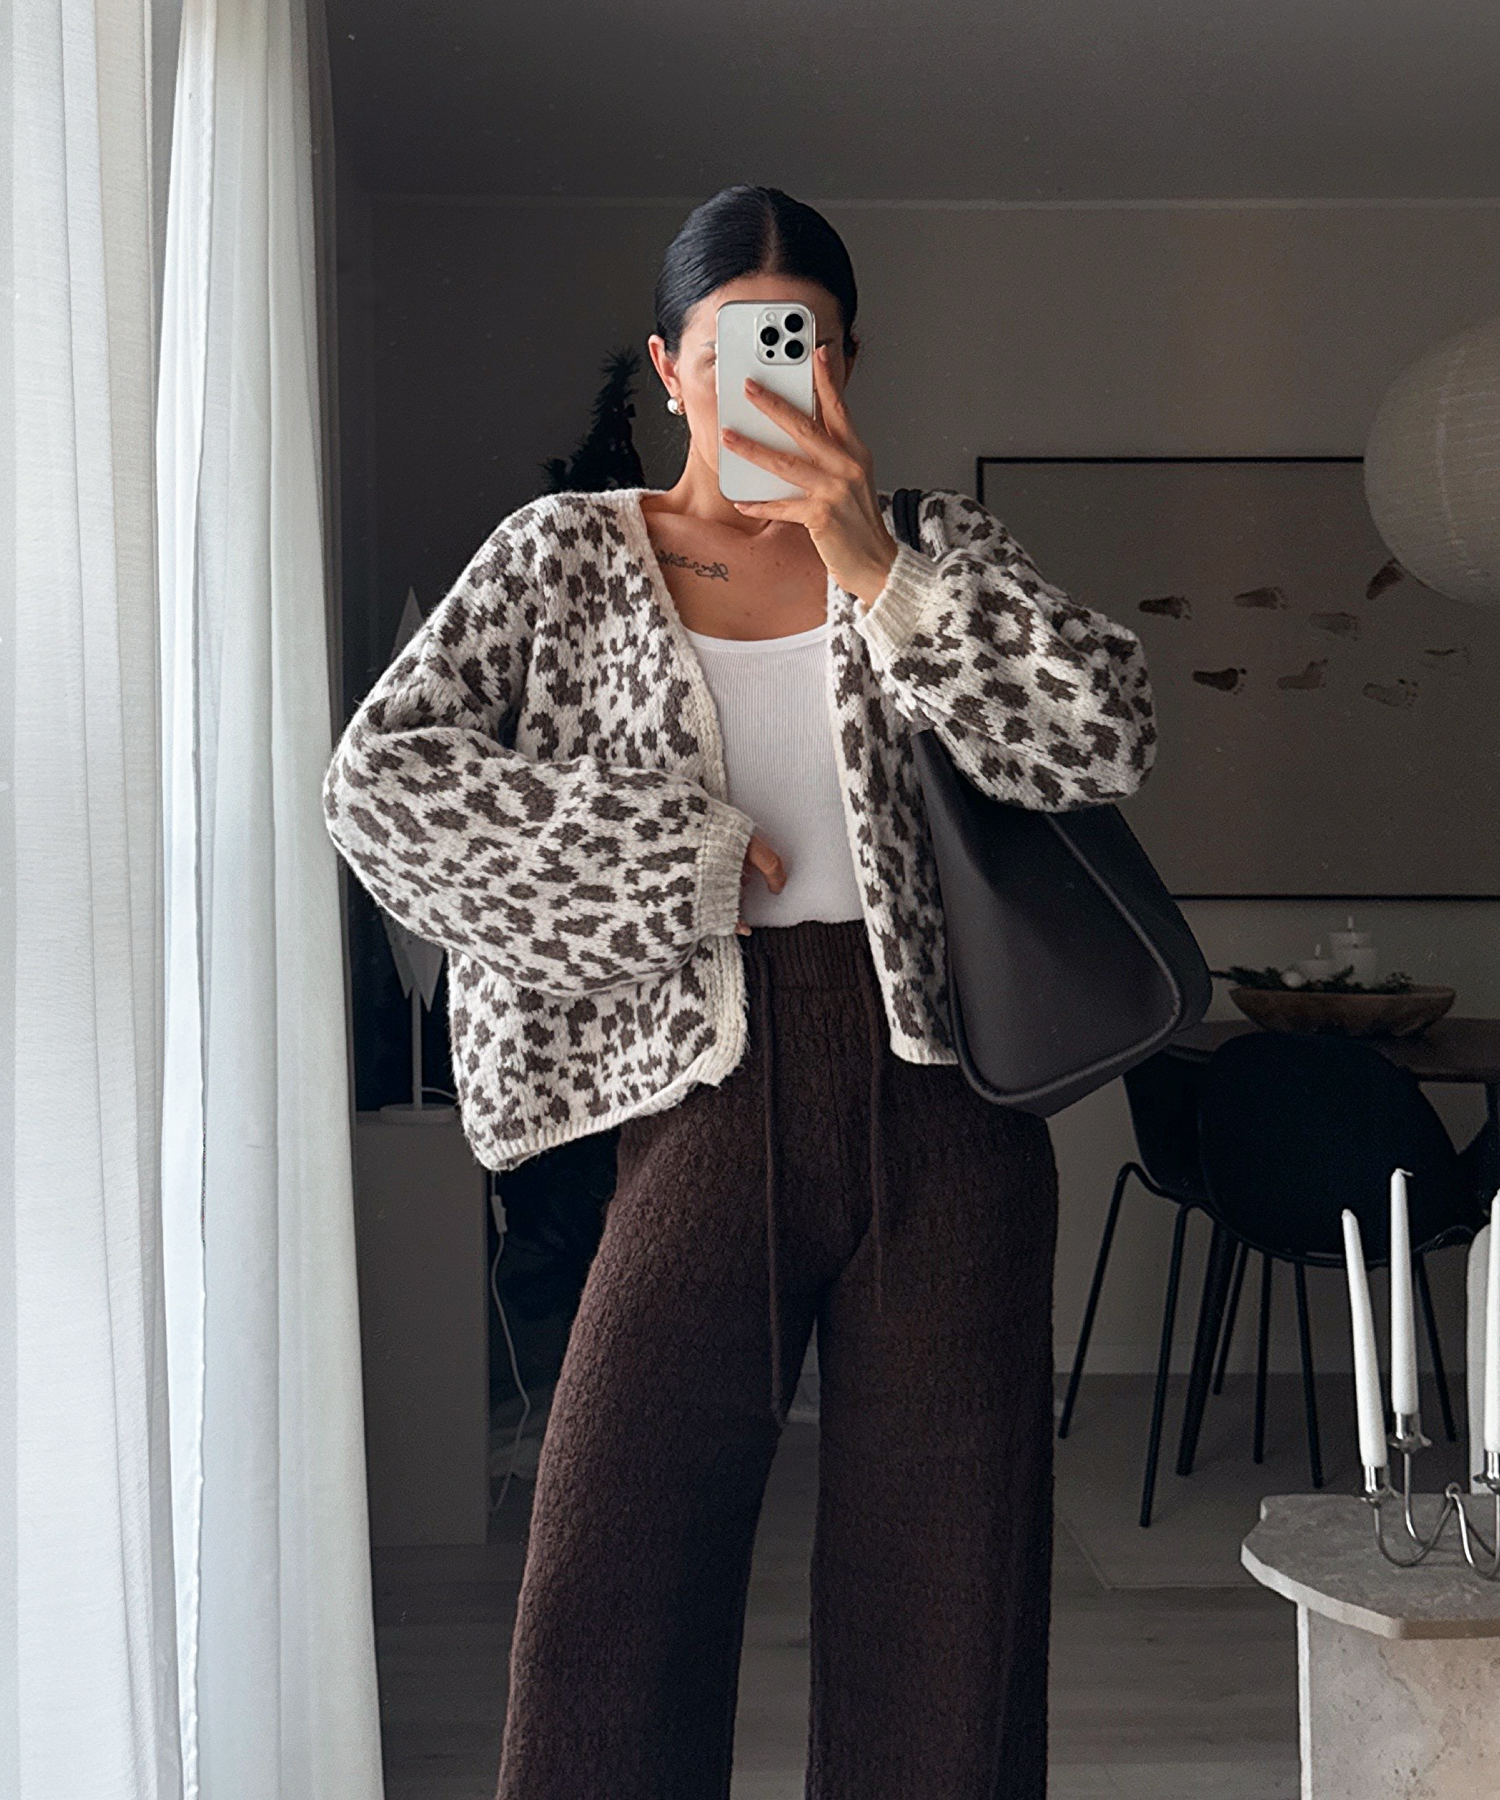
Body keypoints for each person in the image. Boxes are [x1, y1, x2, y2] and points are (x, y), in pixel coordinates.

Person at [321, 183, 1158, 1799]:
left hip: (953, 1117)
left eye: (807, 342)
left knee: (951, 1613)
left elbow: (1104, 734)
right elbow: (382, 789)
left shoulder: (927, 548)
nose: (769, 375)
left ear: (850, 361)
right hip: (701, 1109)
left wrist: (877, 570)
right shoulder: (566, 557)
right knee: (608, 1589)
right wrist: (670, 860)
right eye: (731, 346)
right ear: (669, 366)